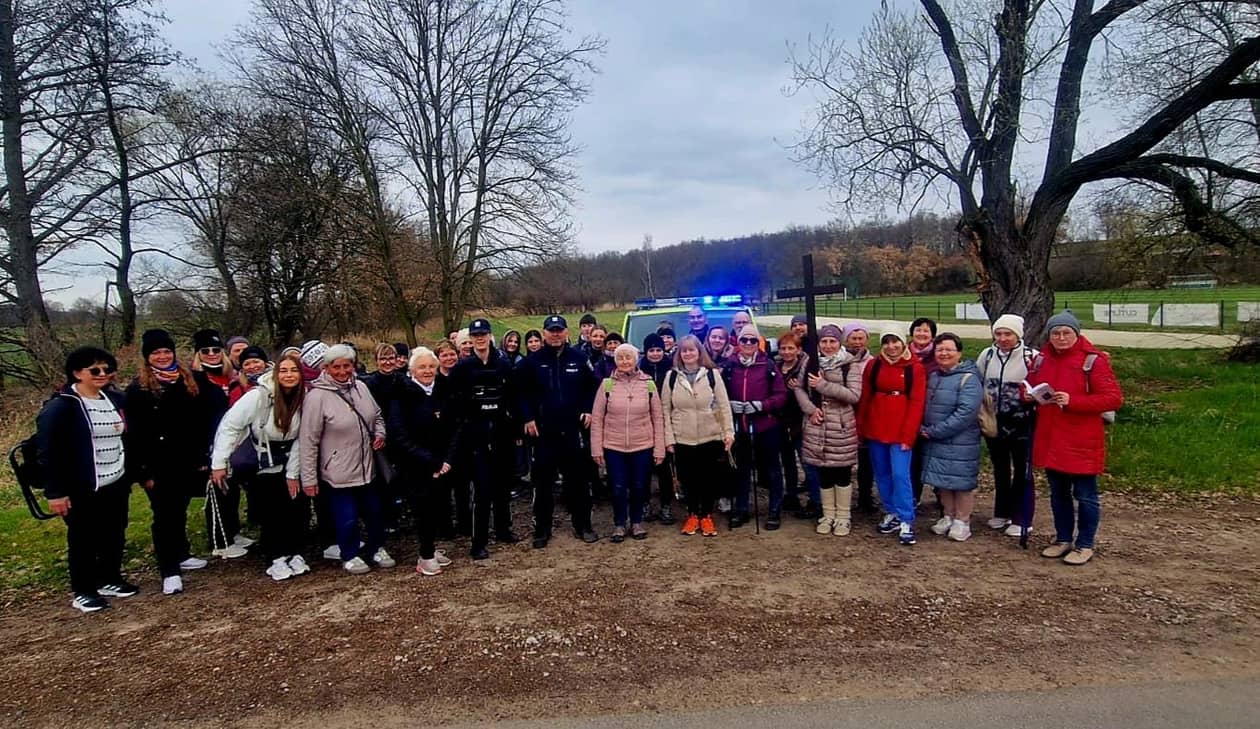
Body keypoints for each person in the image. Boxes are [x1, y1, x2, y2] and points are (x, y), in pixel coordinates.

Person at [126, 329, 228, 595]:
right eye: (156, 353)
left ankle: (182, 554)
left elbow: (213, 410)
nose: (162, 356)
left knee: (180, 509)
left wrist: (206, 453)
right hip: (159, 463)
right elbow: (134, 434)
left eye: (166, 351)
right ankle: (169, 571)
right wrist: (142, 472)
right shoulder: (138, 389)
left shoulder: (191, 379)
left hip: (190, 459)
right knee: (165, 516)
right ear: (147, 357)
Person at [36, 347, 135, 612]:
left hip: (115, 478)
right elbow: (48, 452)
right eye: (95, 370)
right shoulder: (62, 406)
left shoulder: (114, 399)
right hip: (82, 485)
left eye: (107, 369)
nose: (102, 374)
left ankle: (109, 578)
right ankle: (83, 590)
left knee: (114, 532)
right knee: (84, 538)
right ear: (77, 373)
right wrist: (55, 492)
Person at [1027, 311, 1123, 566]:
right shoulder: (1041, 359)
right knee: (1058, 493)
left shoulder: (1093, 361)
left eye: (1066, 333)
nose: (1060, 337)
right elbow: (1031, 383)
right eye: (1055, 333)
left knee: (1085, 495)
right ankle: (1063, 538)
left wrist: (1074, 401)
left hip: (1082, 438)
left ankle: (1085, 543)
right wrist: (1027, 395)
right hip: (1051, 436)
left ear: (1076, 334)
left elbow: (1113, 398)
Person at [211, 353, 310, 581]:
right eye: (283, 370)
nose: (289, 375)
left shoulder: (304, 397)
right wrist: (219, 462)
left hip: (293, 457)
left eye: (294, 370)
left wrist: (293, 473)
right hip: (263, 460)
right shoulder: (259, 396)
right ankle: (276, 558)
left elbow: (303, 436)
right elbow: (230, 426)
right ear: (276, 373)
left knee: (297, 508)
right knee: (272, 511)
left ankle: (296, 553)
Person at [300, 344, 394, 575]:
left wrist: (380, 434)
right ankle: (350, 554)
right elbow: (308, 440)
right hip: (337, 472)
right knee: (347, 517)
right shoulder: (316, 397)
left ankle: (376, 548)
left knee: (374, 512)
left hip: (367, 466)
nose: (342, 371)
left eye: (347, 366)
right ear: (326, 368)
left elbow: (377, 415)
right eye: (337, 367)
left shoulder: (361, 387)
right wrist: (309, 478)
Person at [517, 315, 600, 548]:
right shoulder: (532, 362)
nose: (555, 334)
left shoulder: (579, 358)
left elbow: (592, 387)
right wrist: (528, 417)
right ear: (544, 333)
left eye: (559, 330)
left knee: (578, 482)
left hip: (572, 430)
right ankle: (542, 529)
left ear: (566, 332)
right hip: (544, 432)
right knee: (543, 484)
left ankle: (583, 525)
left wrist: (588, 409)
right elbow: (521, 393)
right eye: (551, 330)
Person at [449, 318, 519, 560]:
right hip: (475, 437)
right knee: (481, 490)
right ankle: (478, 541)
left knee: (502, 486)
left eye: (483, 335)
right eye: (475, 335)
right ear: (471, 339)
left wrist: (514, 428)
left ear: (489, 336)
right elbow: (454, 401)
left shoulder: (503, 364)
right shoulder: (463, 368)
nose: (480, 339)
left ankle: (503, 529)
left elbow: (512, 397)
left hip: (501, 433)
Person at [389, 348, 458, 576]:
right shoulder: (402, 395)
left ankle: (432, 547)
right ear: (412, 370)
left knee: (438, 507)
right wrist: (431, 461)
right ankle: (425, 555)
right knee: (423, 510)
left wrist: (447, 459)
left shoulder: (443, 391)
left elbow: (454, 427)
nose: (427, 371)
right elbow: (399, 435)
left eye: (431, 367)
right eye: (422, 367)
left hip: (442, 464)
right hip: (416, 465)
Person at [590, 343, 666, 542]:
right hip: (613, 446)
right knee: (618, 487)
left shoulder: (648, 384)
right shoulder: (607, 385)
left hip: (642, 446)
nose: (624, 361)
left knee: (640, 486)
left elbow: (658, 418)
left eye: (628, 357)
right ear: (615, 361)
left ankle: (637, 522)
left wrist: (659, 449)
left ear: (636, 359)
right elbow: (597, 418)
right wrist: (596, 448)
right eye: (620, 358)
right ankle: (619, 523)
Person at [858, 330, 926, 546]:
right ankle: (892, 511)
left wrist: (909, 435)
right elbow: (866, 397)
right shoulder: (874, 365)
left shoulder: (914, 368)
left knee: (900, 474)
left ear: (903, 342)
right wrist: (861, 428)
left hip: (900, 429)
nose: (891, 346)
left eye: (895, 341)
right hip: (876, 426)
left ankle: (906, 518)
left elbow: (917, 403)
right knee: (882, 473)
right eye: (886, 342)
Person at [792, 324, 861, 536]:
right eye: (824, 341)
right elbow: (799, 387)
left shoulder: (849, 364)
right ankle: (828, 514)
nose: (828, 346)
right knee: (824, 472)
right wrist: (810, 409)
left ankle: (843, 517)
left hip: (840, 425)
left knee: (842, 472)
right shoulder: (809, 361)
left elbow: (854, 395)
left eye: (832, 341)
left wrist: (823, 385)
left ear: (839, 343)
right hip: (817, 423)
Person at [662, 335, 734, 538]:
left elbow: (723, 405)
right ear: (679, 353)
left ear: (699, 352)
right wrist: (668, 438)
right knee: (688, 478)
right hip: (682, 437)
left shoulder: (712, 375)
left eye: (691, 350)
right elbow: (665, 409)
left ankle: (707, 515)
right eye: (684, 350)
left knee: (709, 478)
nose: (688, 354)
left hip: (710, 435)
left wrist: (728, 432)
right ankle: (693, 514)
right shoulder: (671, 377)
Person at [976, 314, 1039, 536]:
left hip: (1023, 424)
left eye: (1008, 334)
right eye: (998, 334)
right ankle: (1002, 511)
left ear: (1018, 335)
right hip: (994, 423)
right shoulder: (987, 355)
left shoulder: (1031, 357)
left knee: (1023, 471)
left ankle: (1022, 517)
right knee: (1000, 468)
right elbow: (978, 381)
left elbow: (1040, 386)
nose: (1002, 339)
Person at [920, 334, 985, 542]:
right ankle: (948, 515)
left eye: (949, 350)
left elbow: (965, 413)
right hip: (936, 438)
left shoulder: (969, 379)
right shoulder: (934, 376)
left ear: (959, 353)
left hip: (961, 440)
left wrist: (936, 431)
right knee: (943, 481)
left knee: (961, 483)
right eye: (939, 350)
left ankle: (962, 521)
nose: (944, 354)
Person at [723, 323, 788, 529]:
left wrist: (761, 405)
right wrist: (729, 404)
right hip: (740, 426)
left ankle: (774, 510)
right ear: (738, 342)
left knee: (771, 469)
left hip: (765, 425)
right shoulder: (730, 365)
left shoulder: (768, 365)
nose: (748, 343)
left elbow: (781, 395)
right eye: (744, 339)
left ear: (758, 342)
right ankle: (742, 508)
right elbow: (720, 393)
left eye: (753, 340)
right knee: (741, 470)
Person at [775, 332, 820, 519]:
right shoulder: (776, 367)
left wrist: (797, 388)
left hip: (800, 422)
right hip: (780, 422)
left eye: (791, 348)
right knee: (787, 462)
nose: (786, 352)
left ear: (799, 349)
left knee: (807, 463)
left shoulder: (804, 368)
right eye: (783, 348)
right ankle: (791, 495)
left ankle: (816, 500)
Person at [638, 333, 676, 525]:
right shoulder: (638, 369)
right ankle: (645, 503)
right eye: (651, 350)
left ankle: (666, 505)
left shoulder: (671, 369)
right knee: (644, 467)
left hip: (666, 421)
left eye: (658, 350)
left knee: (664, 468)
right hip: (644, 422)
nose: (655, 354)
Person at [842, 322, 877, 514]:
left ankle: (865, 495)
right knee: (844, 458)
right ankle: (844, 496)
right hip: (844, 413)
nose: (857, 342)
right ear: (846, 340)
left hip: (866, 413)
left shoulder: (873, 362)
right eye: (853, 338)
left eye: (860, 338)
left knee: (865, 459)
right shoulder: (841, 360)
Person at [907, 317, 939, 512]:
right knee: (914, 459)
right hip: (910, 414)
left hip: (932, 414)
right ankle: (914, 496)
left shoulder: (939, 355)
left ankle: (942, 498)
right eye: (918, 330)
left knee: (936, 457)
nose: (921, 334)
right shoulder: (903, 354)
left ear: (932, 335)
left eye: (926, 331)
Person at [193, 329, 235, 397]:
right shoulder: (192, 376)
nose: (211, 354)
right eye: (205, 351)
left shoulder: (233, 375)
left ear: (222, 353)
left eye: (216, 350)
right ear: (198, 354)